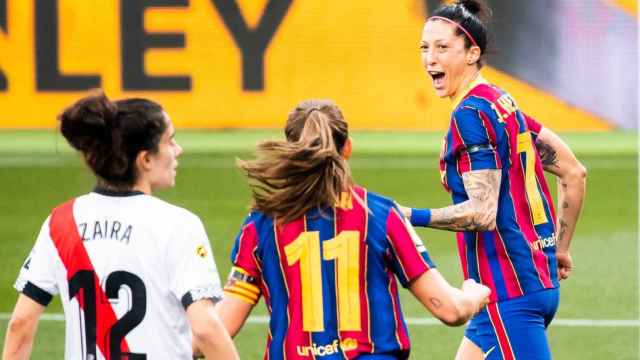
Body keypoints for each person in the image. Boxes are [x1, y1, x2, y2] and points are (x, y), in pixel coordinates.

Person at [214, 99, 491, 359]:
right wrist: (473, 294)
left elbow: (218, 328)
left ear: (291, 150)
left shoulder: (261, 224)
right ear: (347, 148)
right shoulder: (379, 214)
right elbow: (450, 310)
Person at [402, 1, 588, 359]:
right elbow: (574, 173)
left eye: (443, 48)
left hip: (510, 294)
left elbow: (482, 213)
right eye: (425, 48)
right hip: (517, 287)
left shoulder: (470, 114)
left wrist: (408, 215)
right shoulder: (503, 103)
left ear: (473, 53)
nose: (430, 59)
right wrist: (559, 250)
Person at [2, 91, 239, 360]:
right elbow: (206, 329)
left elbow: (20, 322)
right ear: (145, 159)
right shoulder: (179, 225)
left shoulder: (61, 222)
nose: (178, 150)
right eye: (170, 141)